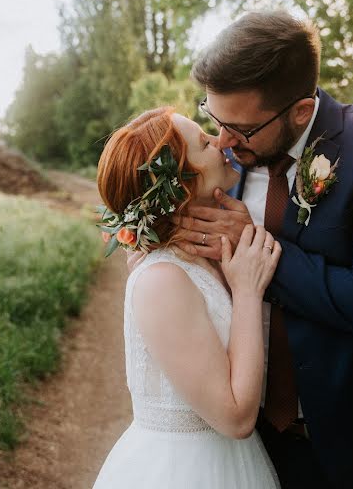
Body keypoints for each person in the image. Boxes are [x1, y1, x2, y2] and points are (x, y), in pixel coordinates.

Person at [172, 11, 353, 488]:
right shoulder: (222, 159)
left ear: (299, 111)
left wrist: (254, 249)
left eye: (243, 130)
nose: (224, 141)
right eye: (215, 119)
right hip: (245, 450)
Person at [92, 107, 281, 488]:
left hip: (234, 464)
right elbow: (235, 417)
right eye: (203, 142)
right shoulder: (162, 279)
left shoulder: (198, 261)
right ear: (180, 185)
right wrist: (246, 292)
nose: (220, 141)